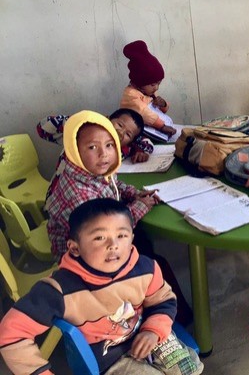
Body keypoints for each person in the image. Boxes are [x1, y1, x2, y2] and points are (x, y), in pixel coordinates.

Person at [0, 198, 203, 375]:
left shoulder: (146, 267)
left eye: (122, 235)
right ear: (75, 248)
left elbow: (164, 300)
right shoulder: (59, 290)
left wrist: (153, 330)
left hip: (148, 335)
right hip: (111, 360)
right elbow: (11, 333)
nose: (113, 245)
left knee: (189, 367)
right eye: (99, 237)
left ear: (132, 238)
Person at [43, 110, 193, 324]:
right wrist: (140, 206)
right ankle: (169, 318)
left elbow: (113, 183)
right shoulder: (78, 193)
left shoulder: (89, 170)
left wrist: (134, 194)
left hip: (98, 242)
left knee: (143, 244)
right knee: (153, 264)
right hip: (85, 261)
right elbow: (109, 231)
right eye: (92, 147)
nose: (104, 154)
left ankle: (164, 309)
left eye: (109, 145)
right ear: (74, 149)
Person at [37, 108, 153, 163]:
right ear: (107, 119)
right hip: (67, 193)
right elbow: (42, 128)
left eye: (128, 134)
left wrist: (142, 151)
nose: (121, 132)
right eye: (119, 125)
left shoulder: (124, 149)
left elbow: (146, 141)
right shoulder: (82, 136)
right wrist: (77, 123)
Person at [120, 40, 176, 138]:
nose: (156, 88)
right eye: (153, 85)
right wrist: (162, 126)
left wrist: (163, 104)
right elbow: (143, 113)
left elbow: (159, 111)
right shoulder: (130, 95)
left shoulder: (147, 91)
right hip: (137, 133)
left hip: (152, 127)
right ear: (140, 82)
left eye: (159, 83)